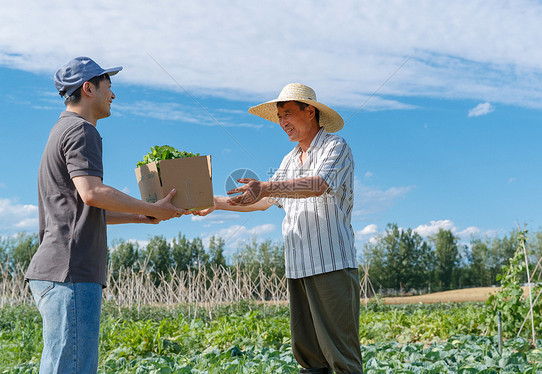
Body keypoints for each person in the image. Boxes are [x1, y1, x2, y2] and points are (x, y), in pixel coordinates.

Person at [25, 56, 187, 374]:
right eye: (109, 86)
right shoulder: (82, 131)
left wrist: (140, 218)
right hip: (71, 273)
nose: (113, 95)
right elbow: (92, 193)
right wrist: (152, 207)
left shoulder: (60, 130)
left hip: (56, 272)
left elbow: (81, 207)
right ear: (89, 88)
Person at [194, 83, 362, 374]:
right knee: (309, 360)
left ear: (310, 112)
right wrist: (216, 202)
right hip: (297, 268)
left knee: (342, 358)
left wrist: (268, 186)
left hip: (331, 265)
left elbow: (317, 185)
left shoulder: (336, 146)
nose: (283, 123)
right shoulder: (288, 160)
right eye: (279, 117)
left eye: (287, 114)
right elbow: (262, 201)